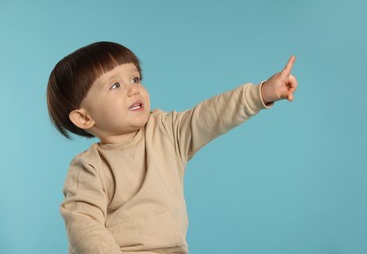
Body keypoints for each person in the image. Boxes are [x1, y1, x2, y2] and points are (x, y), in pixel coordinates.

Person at [47, 41, 298, 254]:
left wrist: (261, 93)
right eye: (115, 85)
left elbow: (212, 115)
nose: (134, 89)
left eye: (135, 78)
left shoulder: (167, 132)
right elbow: (83, 225)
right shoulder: (90, 167)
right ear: (84, 118)